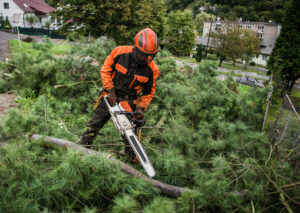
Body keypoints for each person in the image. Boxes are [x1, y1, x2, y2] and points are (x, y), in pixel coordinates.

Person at [78, 28, 159, 161]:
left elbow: (149, 92)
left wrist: (141, 109)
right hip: (109, 97)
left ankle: (132, 162)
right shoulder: (120, 52)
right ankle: (80, 150)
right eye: (143, 54)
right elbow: (105, 70)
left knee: (130, 137)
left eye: (149, 55)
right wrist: (110, 90)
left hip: (129, 102)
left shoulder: (152, 69)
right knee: (93, 125)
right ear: (136, 49)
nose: (146, 58)